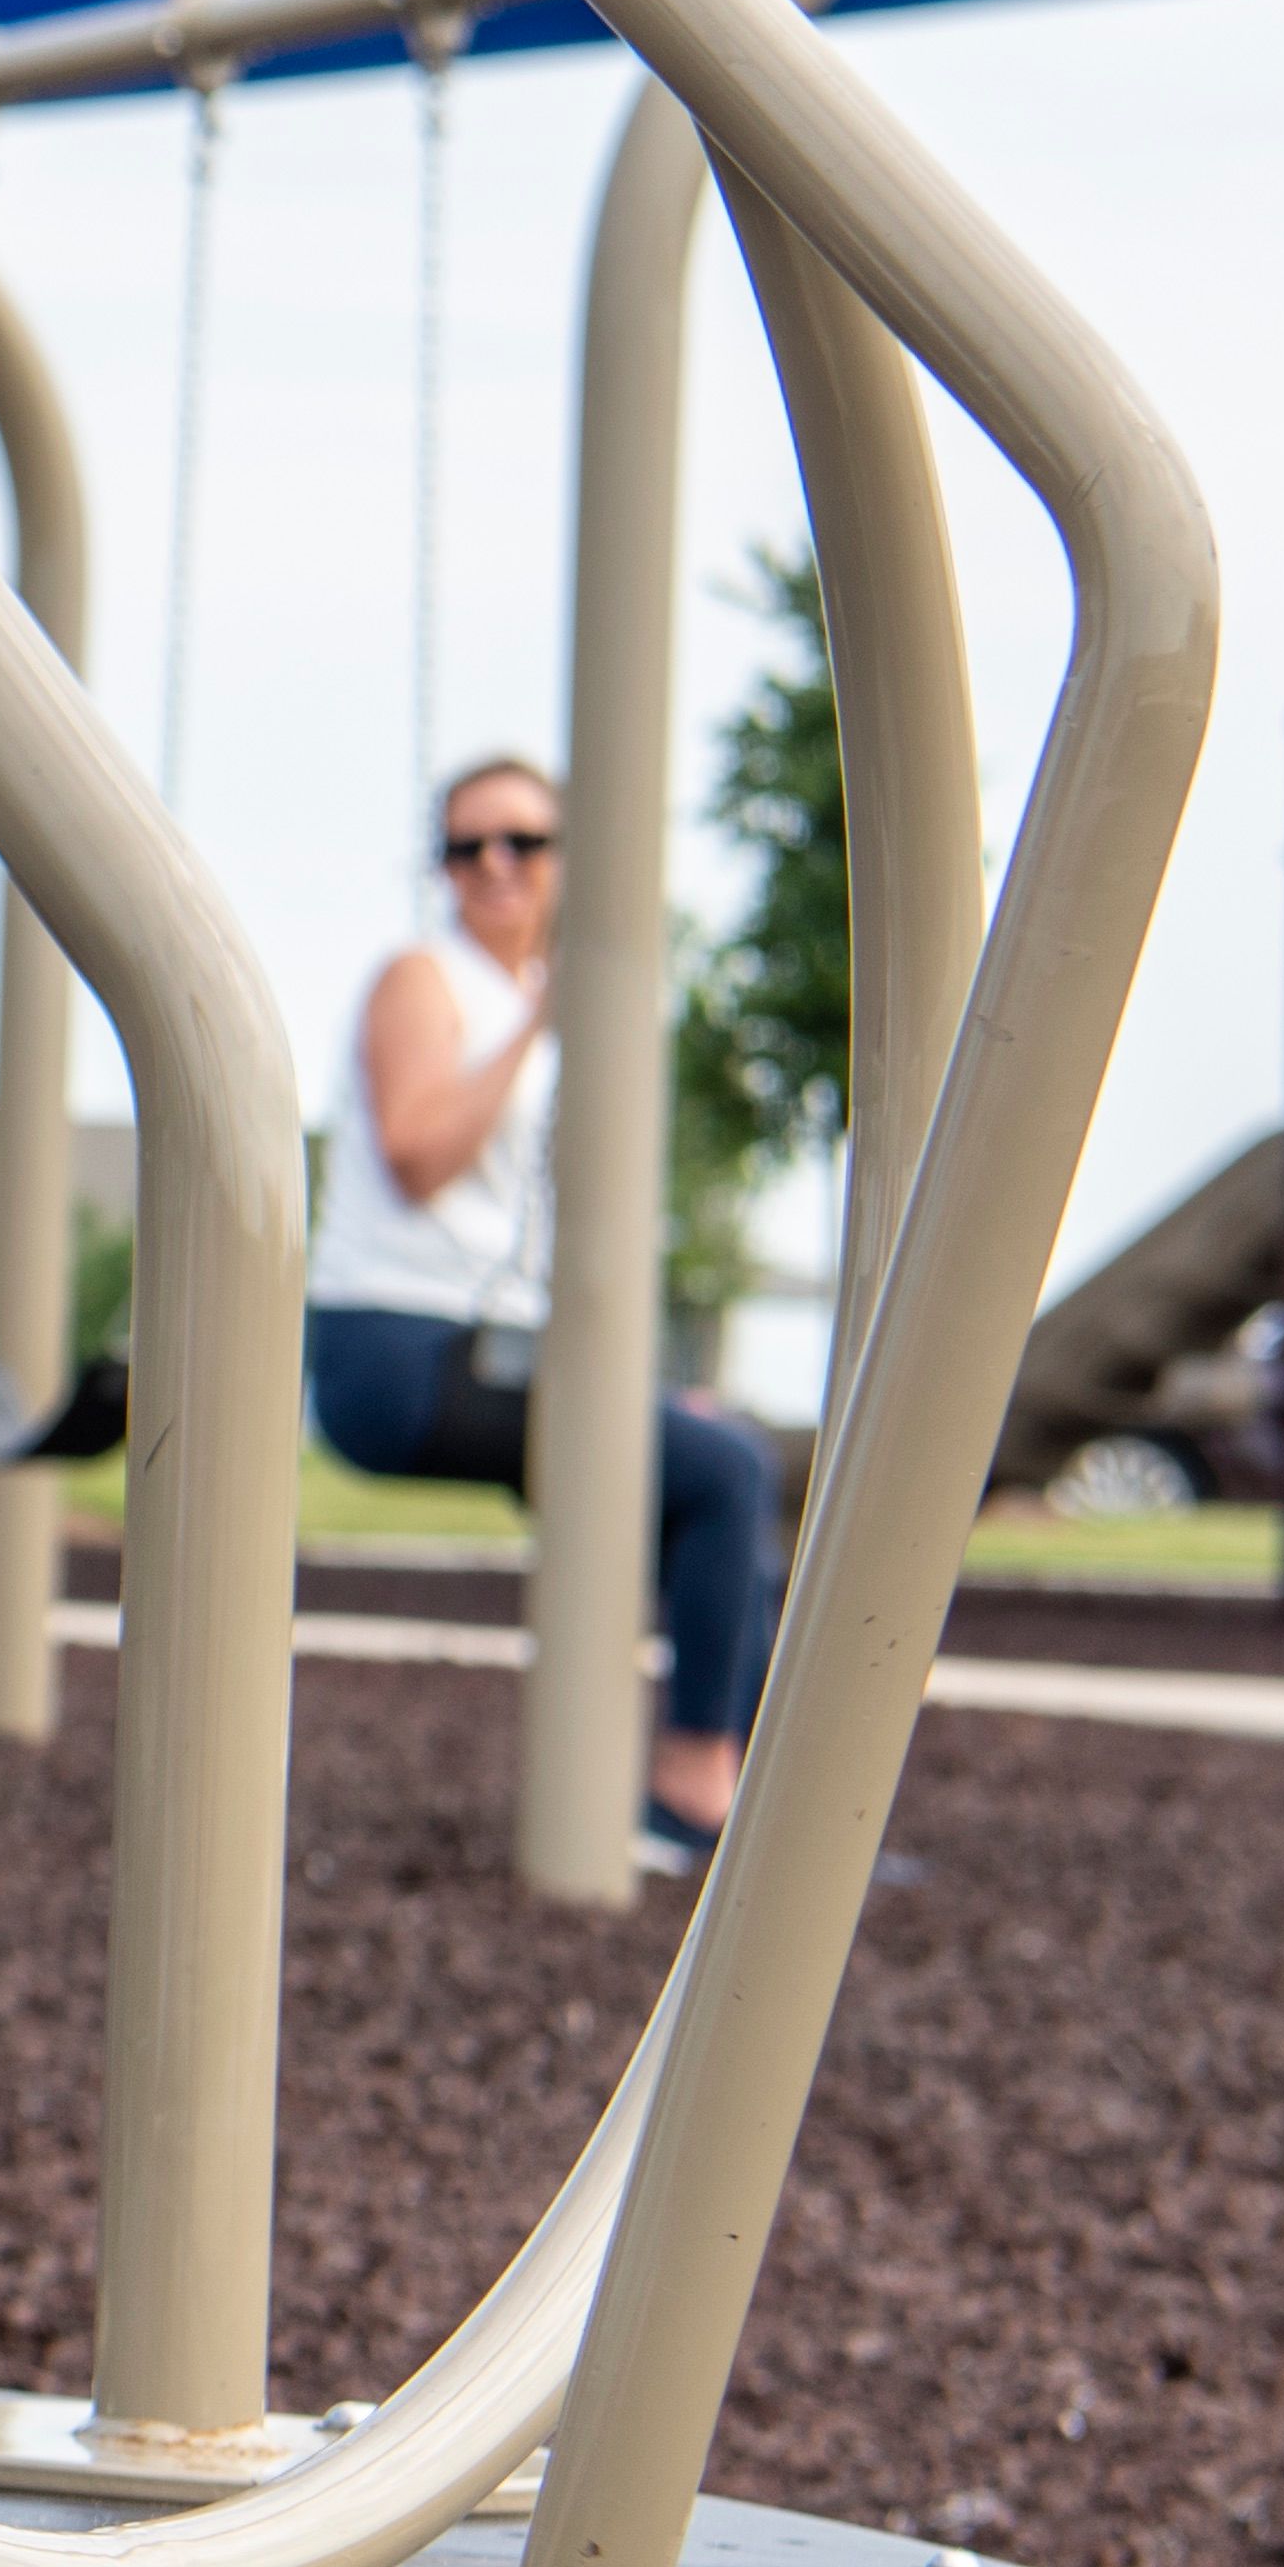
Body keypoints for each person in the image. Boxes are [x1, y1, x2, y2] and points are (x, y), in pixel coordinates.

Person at [305, 752, 774, 1866]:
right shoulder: (424, 981)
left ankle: (740, 1795)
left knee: (721, 1487)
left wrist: (640, 1384)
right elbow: (418, 1154)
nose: (497, 866)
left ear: (568, 862)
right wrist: (531, 1030)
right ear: (443, 869)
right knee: (728, 1474)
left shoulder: (529, 1004)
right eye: (469, 847)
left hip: (496, 1351)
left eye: (524, 842)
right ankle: (689, 1794)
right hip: (397, 1354)